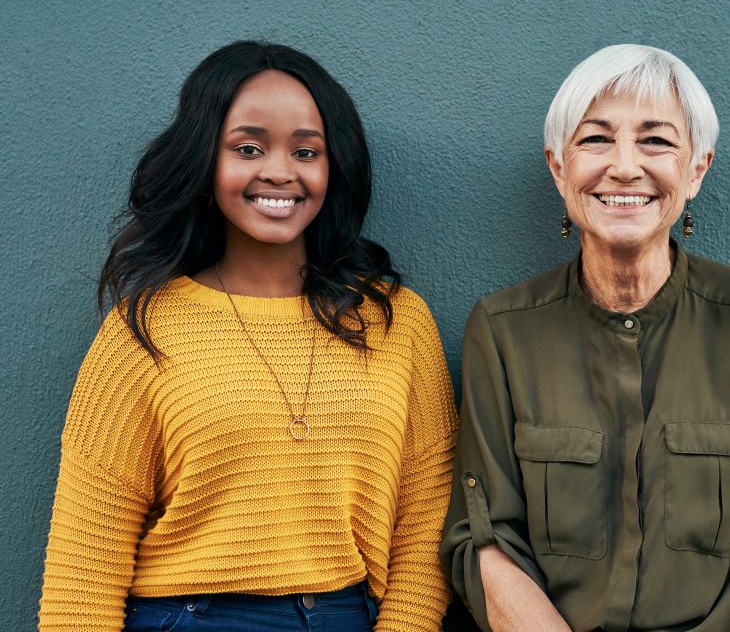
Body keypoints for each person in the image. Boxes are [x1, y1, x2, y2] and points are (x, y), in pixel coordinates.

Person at [38, 41, 457, 632]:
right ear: (205, 164)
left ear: (332, 167)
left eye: (306, 151)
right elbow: (85, 563)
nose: (279, 171)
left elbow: (426, 513)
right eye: (248, 148)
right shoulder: (143, 327)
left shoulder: (397, 321)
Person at [440, 44, 730, 632]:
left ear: (697, 170)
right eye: (596, 140)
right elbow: (486, 540)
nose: (625, 167)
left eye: (656, 141)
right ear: (558, 168)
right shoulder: (502, 331)